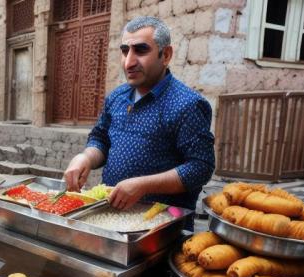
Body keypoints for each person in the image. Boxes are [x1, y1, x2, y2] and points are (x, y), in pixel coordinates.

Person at [64, 16, 215, 227]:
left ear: (166, 55)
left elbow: (200, 167)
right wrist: (85, 158)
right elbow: (101, 139)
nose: (129, 62)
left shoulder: (187, 104)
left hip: (161, 226)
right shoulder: (117, 97)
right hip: (108, 217)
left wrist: (143, 185)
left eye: (141, 50)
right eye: (125, 51)